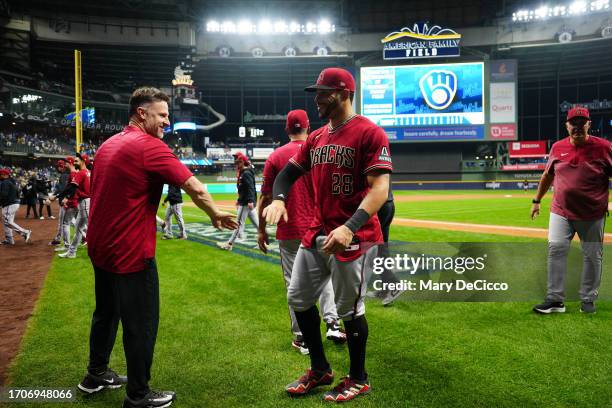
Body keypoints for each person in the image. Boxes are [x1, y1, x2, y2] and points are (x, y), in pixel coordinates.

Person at [77, 87, 236, 408]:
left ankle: (95, 375)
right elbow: (195, 186)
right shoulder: (150, 146)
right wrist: (215, 212)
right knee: (141, 324)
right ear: (141, 113)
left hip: (101, 247)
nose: (167, 122)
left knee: (106, 312)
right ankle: (138, 395)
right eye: (162, 115)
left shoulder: (108, 145)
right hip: (131, 251)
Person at [263, 68, 392, 402]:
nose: (317, 99)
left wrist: (350, 226)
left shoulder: (369, 133)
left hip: (356, 235)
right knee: (299, 298)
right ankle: (320, 369)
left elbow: (380, 189)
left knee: (350, 310)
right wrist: (278, 200)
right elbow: (286, 175)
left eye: (324, 93)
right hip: (317, 232)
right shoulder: (317, 137)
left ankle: (359, 377)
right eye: (316, 93)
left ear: (344, 92)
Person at [257, 109, 346, 355]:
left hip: (290, 228)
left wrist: (261, 231)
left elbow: (265, 197)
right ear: (308, 127)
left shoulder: (276, 156)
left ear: (287, 129)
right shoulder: (320, 151)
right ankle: (333, 324)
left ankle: (302, 337)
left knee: (293, 283)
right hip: (320, 225)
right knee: (325, 277)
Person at [531, 106, 611, 315]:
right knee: (555, 251)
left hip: (592, 213)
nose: (577, 127)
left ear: (589, 125)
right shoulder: (557, 148)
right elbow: (548, 175)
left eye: (581, 123)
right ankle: (555, 300)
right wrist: (536, 200)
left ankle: (587, 299)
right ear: (567, 125)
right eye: (573, 123)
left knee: (592, 255)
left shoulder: (604, 147)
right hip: (561, 211)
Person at [217, 152, 259, 250]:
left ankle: (229, 244)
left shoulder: (246, 173)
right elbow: (244, 188)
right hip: (244, 201)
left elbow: (250, 188)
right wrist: (239, 199)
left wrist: (250, 201)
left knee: (238, 224)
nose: (236, 163)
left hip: (246, 203)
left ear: (243, 162)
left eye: (238, 161)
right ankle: (264, 242)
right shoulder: (244, 172)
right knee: (257, 225)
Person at [58, 153, 91, 259]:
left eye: (77, 161)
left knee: (88, 229)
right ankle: (72, 252)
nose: (75, 162)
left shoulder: (81, 173)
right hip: (85, 202)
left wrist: (58, 197)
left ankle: (102, 250)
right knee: (79, 229)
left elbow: (71, 188)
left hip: (85, 202)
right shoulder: (88, 172)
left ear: (83, 161)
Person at [1, 168, 32, 245]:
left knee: (7, 221)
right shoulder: (12, 182)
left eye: (1, 174)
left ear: (5, 175)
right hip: (13, 203)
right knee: (7, 222)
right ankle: (9, 239)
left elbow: (3, 195)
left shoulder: (5, 182)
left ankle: (25, 232)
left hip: (10, 204)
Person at [49, 159, 70, 246]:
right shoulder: (65, 175)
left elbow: (62, 189)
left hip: (65, 201)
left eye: (58, 166)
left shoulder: (64, 175)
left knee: (64, 223)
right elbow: (59, 187)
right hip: (68, 200)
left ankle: (84, 237)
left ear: (62, 167)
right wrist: (54, 194)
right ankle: (58, 238)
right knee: (70, 222)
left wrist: (55, 196)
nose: (57, 168)